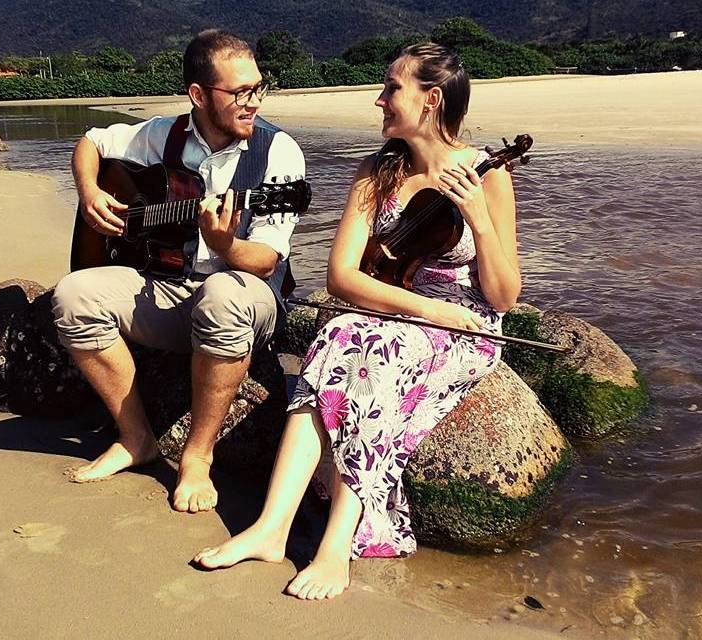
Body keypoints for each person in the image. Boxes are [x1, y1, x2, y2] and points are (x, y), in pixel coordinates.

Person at [192, 43, 521, 599]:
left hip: (463, 324)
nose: (380, 99)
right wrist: (420, 308)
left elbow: (505, 296)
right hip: (401, 309)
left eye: (392, 88)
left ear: (431, 100)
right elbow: (342, 275)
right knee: (340, 337)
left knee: (374, 355)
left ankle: (335, 544)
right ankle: (271, 528)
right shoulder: (378, 172)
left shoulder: (487, 177)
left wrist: (478, 222)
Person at [51, 29, 306, 514]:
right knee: (73, 295)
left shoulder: (278, 153)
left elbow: (268, 260)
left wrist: (225, 243)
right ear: (198, 95)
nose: (253, 102)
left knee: (224, 296)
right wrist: (89, 193)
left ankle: (197, 456)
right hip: (166, 286)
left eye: (258, 88)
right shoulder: (159, 134)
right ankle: (135, 439)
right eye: (240, 92)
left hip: (245, 293)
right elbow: (91, 141)